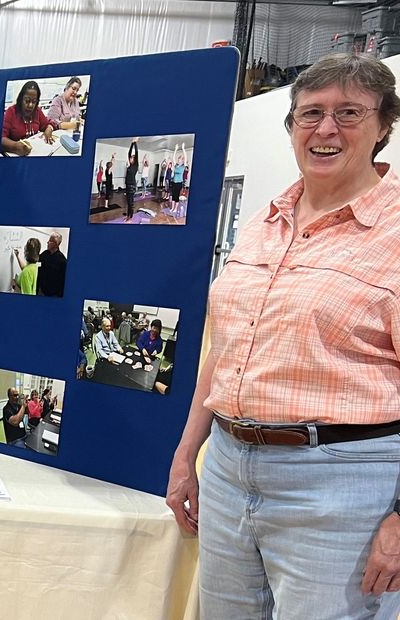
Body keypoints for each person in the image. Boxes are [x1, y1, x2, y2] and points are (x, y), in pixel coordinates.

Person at [166, 53, 400, 618]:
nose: (326, 129)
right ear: (291, 125)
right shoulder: (265, 222)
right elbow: (226, 350)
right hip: (227, 467)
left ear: (383, 128)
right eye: (311, 113)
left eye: (348, 113)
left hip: (343, 484)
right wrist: (186, 454)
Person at [1, 81, 57, 157]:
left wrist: (49, 129)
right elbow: (0, 138)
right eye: (27, 101)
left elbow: (47, 124)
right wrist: (15, 146)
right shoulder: (11, 112)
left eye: (34, 102)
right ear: (21, 99)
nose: (30, 105)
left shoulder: (37, 111)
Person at [36, 232, 67, 297]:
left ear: (56, 244)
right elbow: (36, 262)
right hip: (41, 291)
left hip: (53, 295)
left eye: (50, 241)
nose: (47, 242)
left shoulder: (62, 260)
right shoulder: (44, 254)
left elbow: (63, 281)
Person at [169, 144, 188, 216]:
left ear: (182, 161)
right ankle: (172, 208)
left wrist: (183, 148)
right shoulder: (176, 165)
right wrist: (175, 149)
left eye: (180, 159)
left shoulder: (183, 166)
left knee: (176, 196)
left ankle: (176, 208)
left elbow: (185, 157)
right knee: (173, 195)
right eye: (178, 159)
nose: (179, 160)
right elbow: (173, 158)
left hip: (179, 183)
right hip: (174, 182)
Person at [125, 138, 140, 221]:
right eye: (130, 158)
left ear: (134, 160)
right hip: (127, 185)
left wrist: (135, 144)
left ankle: (130, 218)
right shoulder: (130, 166)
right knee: (128, 203)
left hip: (132, 186)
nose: (130, 159)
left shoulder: (135, 165)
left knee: (131, 203)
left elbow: (136, 153)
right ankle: (128, 216)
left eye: (131, 158)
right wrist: (131, 143)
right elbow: (129, 153)